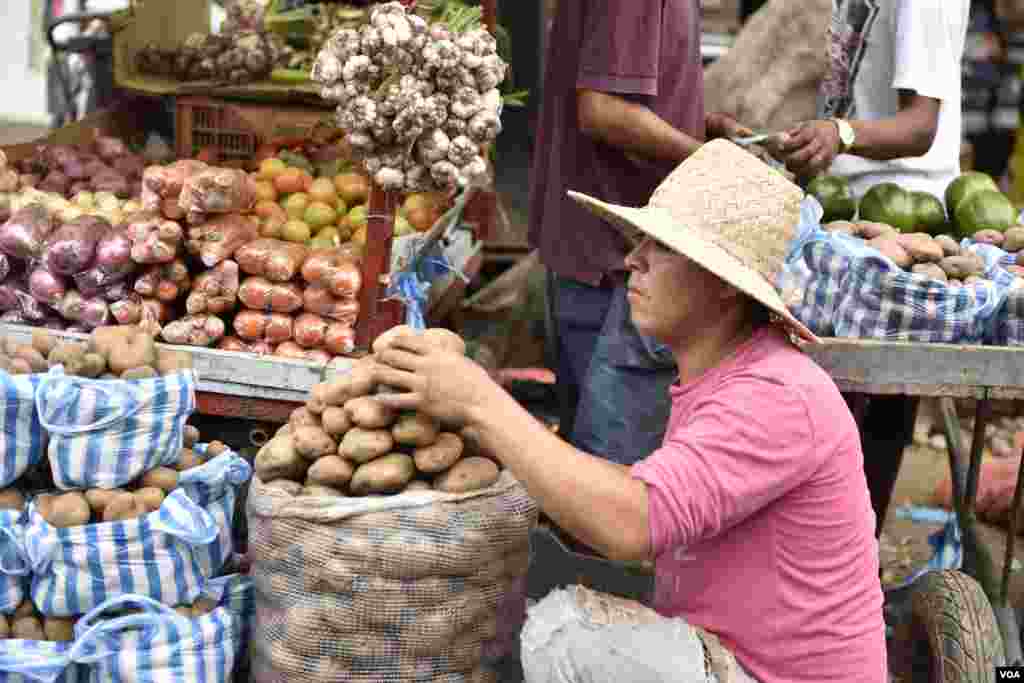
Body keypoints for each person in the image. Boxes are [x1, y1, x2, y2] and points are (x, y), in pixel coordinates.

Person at [369, 140, 887, 683]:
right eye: (641, 241)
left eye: (661, 247)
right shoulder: (719, 377)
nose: (632, 259)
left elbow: (631, 524)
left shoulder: (777, 394)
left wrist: (478, 402)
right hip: (730, 657)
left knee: (565, 632)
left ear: (725, 288)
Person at [769, 0, 970, 535]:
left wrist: (841, 134)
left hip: (897, 218)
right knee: (841, 419)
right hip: (852, 210)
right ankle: (833, 562)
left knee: (860, 423)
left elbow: (920, 126)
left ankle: (843, 570)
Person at [528, 0, 750, 466]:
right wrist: (707, 159)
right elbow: (603, 109)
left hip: (607, 259)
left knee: (592, 482)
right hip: (619, 266)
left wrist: (699, 130)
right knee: (613, 490)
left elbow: (617, 91)